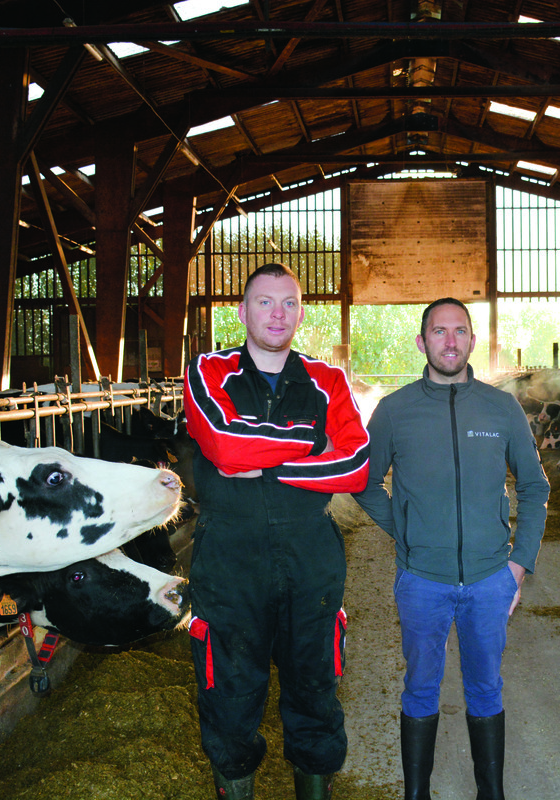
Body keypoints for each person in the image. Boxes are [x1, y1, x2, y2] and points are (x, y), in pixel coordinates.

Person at [182, 262, 370, 800]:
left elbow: (356, 461)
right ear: (241, 311)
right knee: (230, 697)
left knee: (315, 694)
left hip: (310, 556)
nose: (277, 313)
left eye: (288, 302)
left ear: (302, 312)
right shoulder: (209, 370)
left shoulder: (327, 379)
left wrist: (270, 462)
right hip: (228, 560)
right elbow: (221, 443)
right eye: (264, 302)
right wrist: (313, 444)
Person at [353, 297, 549, 800]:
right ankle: (417, 794)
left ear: (472, 341)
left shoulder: (501, 407)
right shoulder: (395, 410)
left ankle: (491, 793)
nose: (449, 341)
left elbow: (533, 486)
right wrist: (407, 529)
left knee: (486, 688)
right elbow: (365, 482)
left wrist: (519, 564)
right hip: (422, 580)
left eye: (459, 331)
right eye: (438, 332)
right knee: (420, 687)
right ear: (422, 342)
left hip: (490, 580)